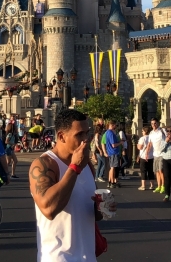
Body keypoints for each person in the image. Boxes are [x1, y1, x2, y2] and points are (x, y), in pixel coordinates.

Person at [30, 108, 105, 262]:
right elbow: (49, 209)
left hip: (88, 256)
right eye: (79, 135)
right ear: (61, 136)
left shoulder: (87, 165)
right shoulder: (45, 164)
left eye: (87, 133)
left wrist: (102, 207)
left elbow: (89, 210)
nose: (86, 139)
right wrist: (74, 168)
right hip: (58, 258)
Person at [148, 118, 166, 194]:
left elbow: (167, 138)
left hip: (162, 153)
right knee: (157, 171)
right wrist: (146, 153)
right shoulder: (151, 133)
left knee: (161, 170)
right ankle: (158, 186)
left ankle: (163, 186)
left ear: (158, 123)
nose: (153, 125)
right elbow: (150, 143)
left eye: (155, 123)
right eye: (152, 124)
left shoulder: (162, 131)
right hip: (155, 154)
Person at [103, 120, 121, 188]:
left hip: (110, 152)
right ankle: (112, 182)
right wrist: (120, 143)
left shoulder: (107, 132)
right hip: (113, 152)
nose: (116, 126)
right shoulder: (111, 133)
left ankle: (110, 181)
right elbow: (113, 145)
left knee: (111, 167)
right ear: (112, 125)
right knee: (113, 167)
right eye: (115, 125)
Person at [137, 126, 154, 191]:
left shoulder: (142, 138)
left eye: (142, 131)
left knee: (143, 171)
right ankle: (152, 185)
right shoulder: (151, 138)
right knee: (151, 171)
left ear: (145, 131)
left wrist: (137, 145)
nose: (142, 132)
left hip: (143, 156)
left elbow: (140, 147)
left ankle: (143, 185)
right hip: (151, 156)